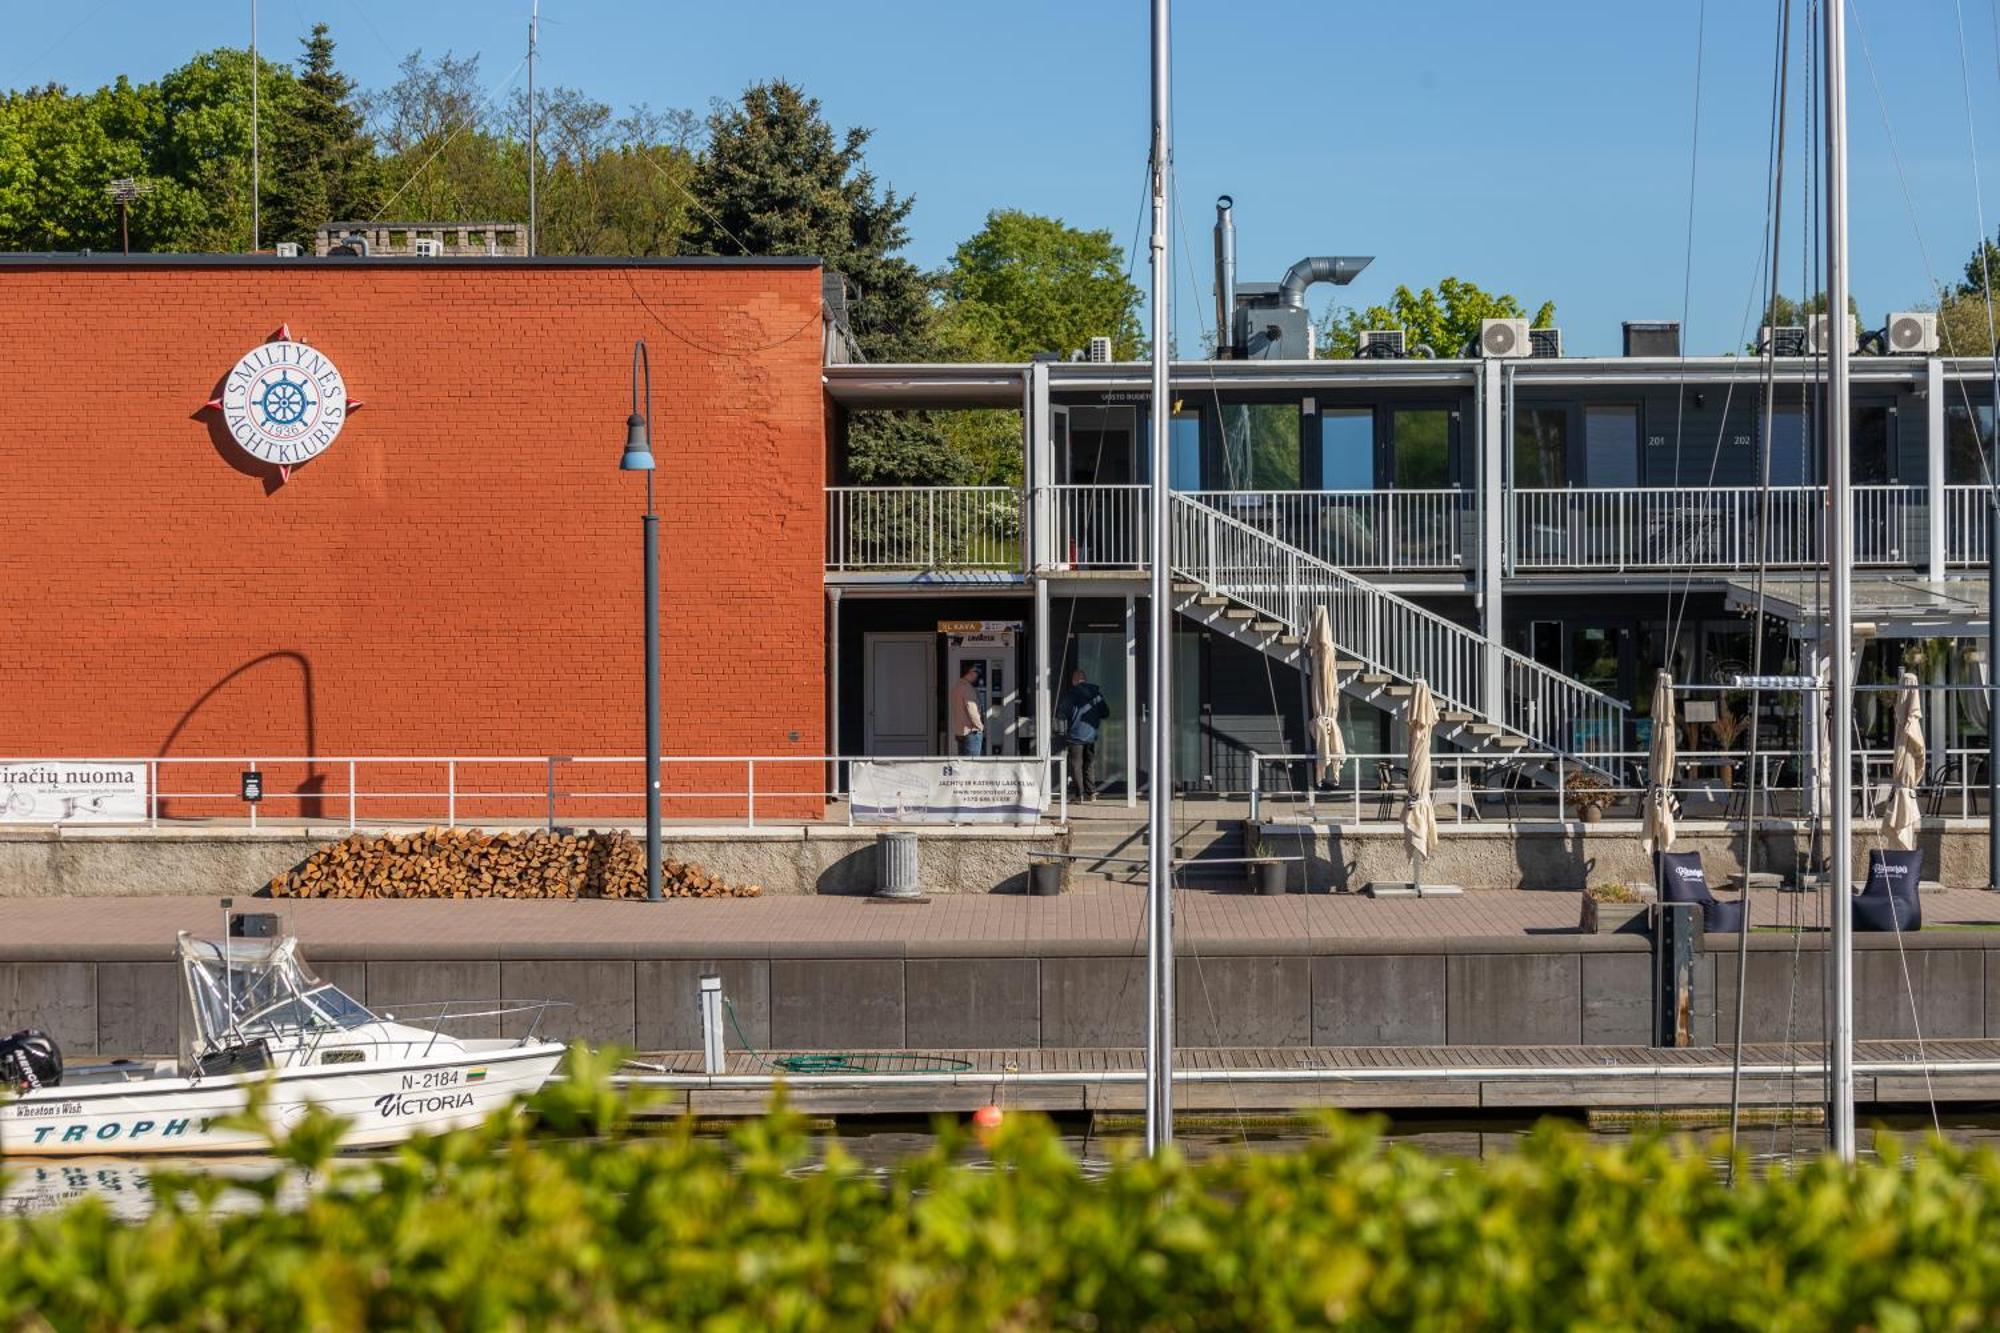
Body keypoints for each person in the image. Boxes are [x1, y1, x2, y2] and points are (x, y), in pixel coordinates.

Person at [1058, 667, 1109, 800]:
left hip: (1075, 735)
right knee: (1089, 763)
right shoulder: (1097, 694)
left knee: (1076, 765)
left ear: (1075, 680)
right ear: (1085, 680)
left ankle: (1079, 794)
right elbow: (1105, 713)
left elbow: (1062, 713)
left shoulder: (1072, 693)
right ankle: (1091, 792)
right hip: (1091, 735)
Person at [950, 661, 985, 756]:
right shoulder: (967, 688)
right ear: (970, 672)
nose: (977, 675)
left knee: (963, 765)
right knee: (972, 766)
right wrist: (980, 727)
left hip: (960, 732)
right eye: (976, 671)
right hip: (971, 733)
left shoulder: (956, 687)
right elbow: (972, 710)